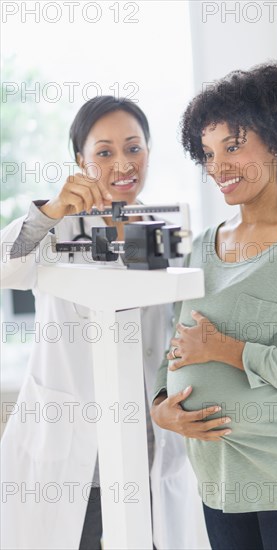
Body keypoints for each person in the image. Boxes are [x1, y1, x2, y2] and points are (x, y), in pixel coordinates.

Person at [151, 61, 277, 550]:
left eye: (234, 147)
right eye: (208, 153)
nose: (218, 166)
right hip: (218, 479)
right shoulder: (200, 245)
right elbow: (175, 349)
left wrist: (229, 350)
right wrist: (161, 409)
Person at [1, 96, 204, 550]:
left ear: (149, 152)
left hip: (147, 452)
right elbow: (3, 265)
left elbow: (179, 340)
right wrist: (52, 211)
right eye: (105, 152)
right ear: (81, 161)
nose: (122, 164)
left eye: (134, 148)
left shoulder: (170, 233)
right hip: (70, 457)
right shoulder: (54, 230)